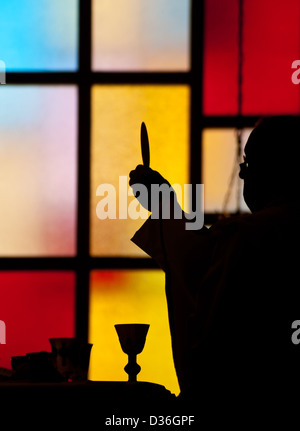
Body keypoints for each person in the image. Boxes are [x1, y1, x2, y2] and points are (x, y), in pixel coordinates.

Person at [129, 116, 300, 421]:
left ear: (278, 168)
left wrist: (164, 204)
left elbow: (202, 279)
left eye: (249, 162)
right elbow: (207, 258)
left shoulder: (249, 234)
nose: (243, 172)